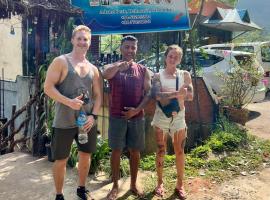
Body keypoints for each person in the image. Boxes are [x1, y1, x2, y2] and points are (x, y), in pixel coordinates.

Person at [44, 25, 102, 200]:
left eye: (86, 39)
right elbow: (47, 87)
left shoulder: (93, 69)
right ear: (72, 40)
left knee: (85, 155)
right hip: (64, 120)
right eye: (79, 38)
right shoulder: (61, 62)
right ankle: (59, 195)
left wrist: (94, 116)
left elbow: (99, 96)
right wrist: (69, 101)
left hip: (86, 122)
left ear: (89, 42)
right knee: (61, 159)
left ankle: (81, 189)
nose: (82, 42)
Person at [102, 35, 151, 200]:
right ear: (121, 48)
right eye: (127, 47)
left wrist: (136, 110)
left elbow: (149, 93)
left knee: (135, 151)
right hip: (116, 116)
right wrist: (118, 67)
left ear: (136, 50)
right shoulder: (113, 66)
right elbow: (105, 74)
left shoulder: (143, 70)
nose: (130, 50)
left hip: (137, 117)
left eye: (133, 47)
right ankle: (115, 186)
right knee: (116, 150)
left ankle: (133, 184)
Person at [151, 45, 193, 199]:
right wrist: (177, 93)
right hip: (161, 116)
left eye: (176, 57)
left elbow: (190, 96)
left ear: (180, 59)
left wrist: (167, 95)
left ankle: (180, 185)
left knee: (179, 151)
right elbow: (156, 95)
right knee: (161, 149)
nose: (173, 59)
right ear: (165, 57)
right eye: (170, 56)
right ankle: (160, 183)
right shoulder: (157, 75)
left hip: (179, 117)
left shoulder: (185, 75)